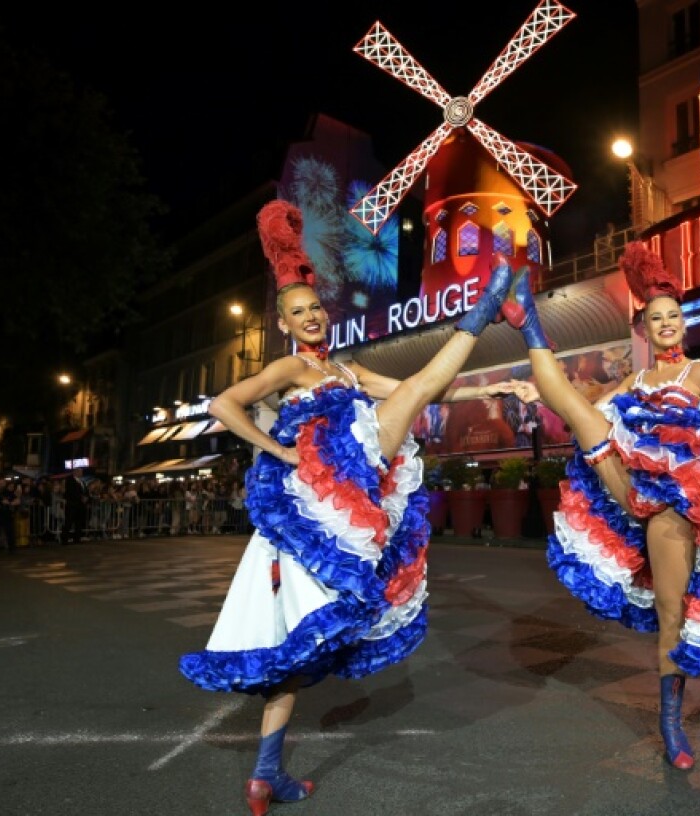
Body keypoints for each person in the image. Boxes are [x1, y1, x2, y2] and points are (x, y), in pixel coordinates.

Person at [177, 199, 532, 816]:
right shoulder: (290, 366)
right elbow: (224, 406)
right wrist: (277, 452)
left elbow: (420, 392)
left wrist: (492, 387)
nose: (311, 317)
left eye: (315, 308)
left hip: (350, 497)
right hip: (320, 498)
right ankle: (492, 298)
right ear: (284, 323)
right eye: (298, 313)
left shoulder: (347, 368)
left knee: (298, 650)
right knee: (294, 647)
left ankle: (265, 778)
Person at [502, 242, 700, 770]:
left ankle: (671, 723)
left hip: (684, 504)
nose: (665, 324)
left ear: (683, 324)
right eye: (655, 318)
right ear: (642, 329)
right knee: (579, 411)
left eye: (672, 317)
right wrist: (538, 400)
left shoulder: (697, 373)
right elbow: (592, 409)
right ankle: (529, 325)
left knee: (674, 612)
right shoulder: (636, 381)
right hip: (634, 487)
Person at [61, 467, 87, 545]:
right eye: (80, 471)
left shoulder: (82, 481)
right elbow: (70, 492)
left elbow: (86, 491)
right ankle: (65, 539)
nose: (82, 473)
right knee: (68, 522)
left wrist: (86, 498)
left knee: (78, 522)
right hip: (72, 504)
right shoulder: (69, 480)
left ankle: (77, 538)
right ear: (75, 472)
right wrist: (80, 497)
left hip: (80, 505)